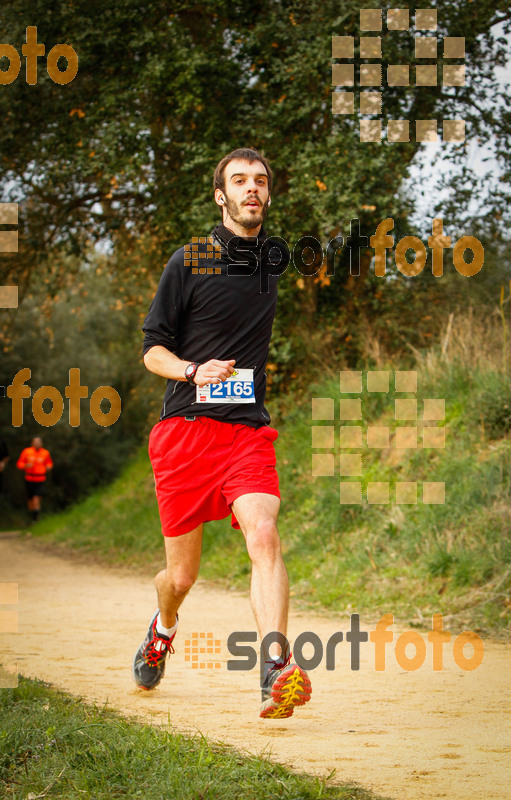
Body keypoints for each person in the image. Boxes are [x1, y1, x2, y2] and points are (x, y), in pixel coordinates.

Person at [132, 147, 312, 719]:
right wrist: (192, 369)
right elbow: (151, 351)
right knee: (181, 576)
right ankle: (163, 627)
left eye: (260, 180)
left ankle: (274, 668)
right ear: (220, 195)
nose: (251, 188)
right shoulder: (187, 262)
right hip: (185, 432)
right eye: (239, 181)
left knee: (263, 534)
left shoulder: (274, 259)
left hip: (246, 432)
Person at [16, 436, 53, 522]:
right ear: (32, 443)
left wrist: (48, 467)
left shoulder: (45, 453)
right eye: (35, 442)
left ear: (41, 443)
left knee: (36, 499)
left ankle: (35, 519)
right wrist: (25, 465)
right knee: (30, 500)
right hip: (29, 478)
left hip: (40, 479)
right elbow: (19, 464)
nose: (37, 443)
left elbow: (49, 463)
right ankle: (32, 516)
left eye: (38, 442)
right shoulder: (27, 452)